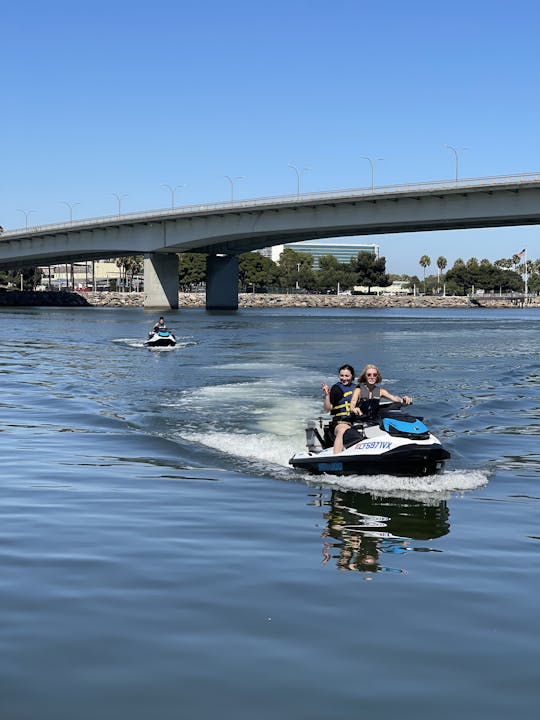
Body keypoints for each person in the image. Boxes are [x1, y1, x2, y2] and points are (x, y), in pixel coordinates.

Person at [322, 364, 356, 454]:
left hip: (356, 422)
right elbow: (327, 409)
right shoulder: (336, 389)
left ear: (352, 376)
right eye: (342, 375)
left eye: (347, 376)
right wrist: (327, 395)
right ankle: (336, 456)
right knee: (342, 430)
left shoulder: (357, 389)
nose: (344, 378)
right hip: (340, 422)